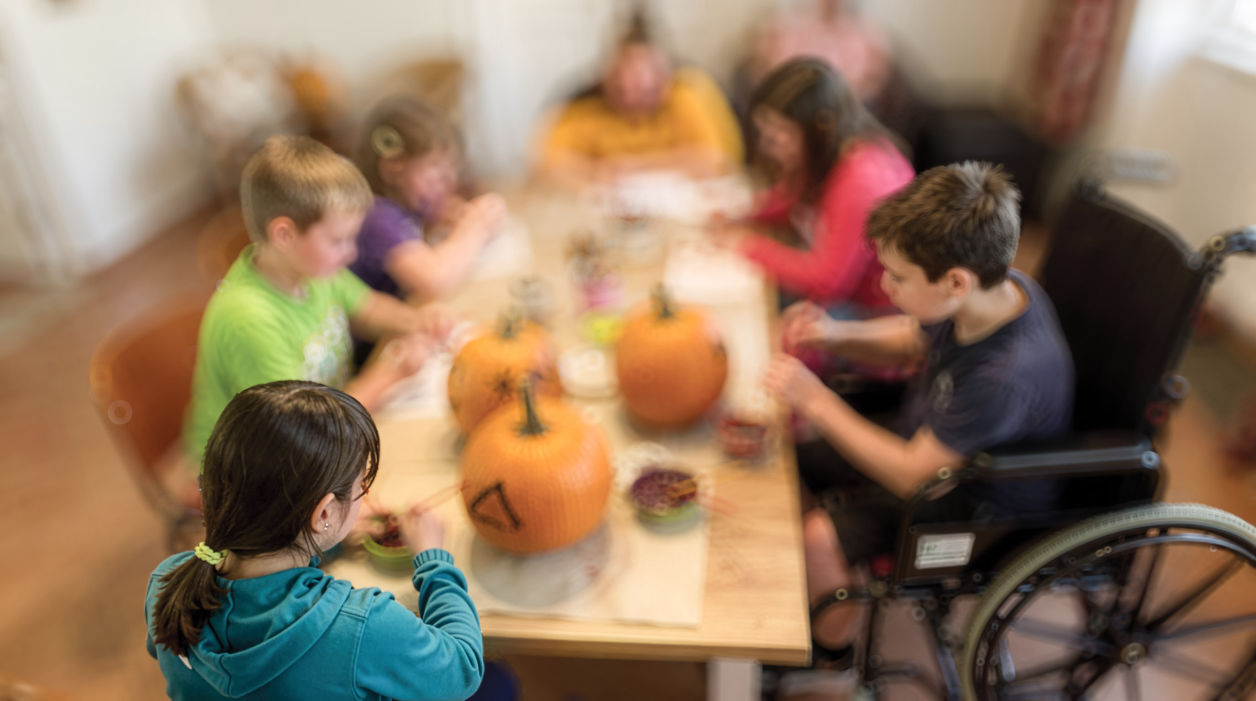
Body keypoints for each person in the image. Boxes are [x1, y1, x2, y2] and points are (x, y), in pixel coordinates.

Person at [762, 162, 1074, 674]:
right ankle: (826, 580)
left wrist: (817, 400)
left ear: (955, 281)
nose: (885, 286)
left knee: (818, 537)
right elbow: (915, 335)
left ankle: (829, 654)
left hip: (978, 503)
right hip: (935, 443)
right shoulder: (990, 293)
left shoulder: (1004, 375)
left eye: (898, 276)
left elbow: (913, 476)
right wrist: (835, 334)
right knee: (793, 455)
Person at [147, 381, 485, 699]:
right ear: (323, 514)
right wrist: (434, 560)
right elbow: (462, 669)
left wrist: (319, 540)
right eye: (360, 487)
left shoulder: (166, 583)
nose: (363, 496)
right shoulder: (363, 627)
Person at [182, 135, 450, 462]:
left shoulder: (312, 269)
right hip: (256, 469)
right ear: (284, 234)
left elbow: (368, 307)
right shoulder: (250, 320)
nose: (351, 253)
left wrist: (417, 321)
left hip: (326, 426)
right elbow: (306, 432)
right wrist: (389, 374)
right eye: (338, 240)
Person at [708, 58, 913, 316]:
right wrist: (742, 214)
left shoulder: (863, 178)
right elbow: (792, 199)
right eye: (765, 135)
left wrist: (748, 245)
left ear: (821, 127)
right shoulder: (827, 151)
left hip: (873, 314)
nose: (768, 148)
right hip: (844, 295)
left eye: (778, 138)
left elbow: (827, 282)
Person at [536, 10, 742, 186]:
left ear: (665, 79)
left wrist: (637, 166)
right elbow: (546, 166)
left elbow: (720, 160)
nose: (630, 97)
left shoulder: (688, 92)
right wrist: (599, 172)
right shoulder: (585, 104)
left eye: (643, 89)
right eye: (620, 88)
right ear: (604, 79)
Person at [351, 94, 505, 304]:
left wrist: (438, 221)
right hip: (380, 336)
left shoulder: (402, 207)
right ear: (393, 168)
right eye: (435, 167)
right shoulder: (377, 215)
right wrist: (475, 225)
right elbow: (433, 281)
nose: (449, 179)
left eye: (451, 167)